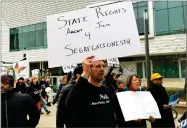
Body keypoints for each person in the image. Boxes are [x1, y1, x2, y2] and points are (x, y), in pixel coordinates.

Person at [65, 56, 124, 127]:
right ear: (89, 69)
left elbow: (112, 114)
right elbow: (69, 103)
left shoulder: (107, 90)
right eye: (98, 66)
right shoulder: (81, 90)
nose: (102, 69)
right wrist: (84, 73)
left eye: (103, 66)